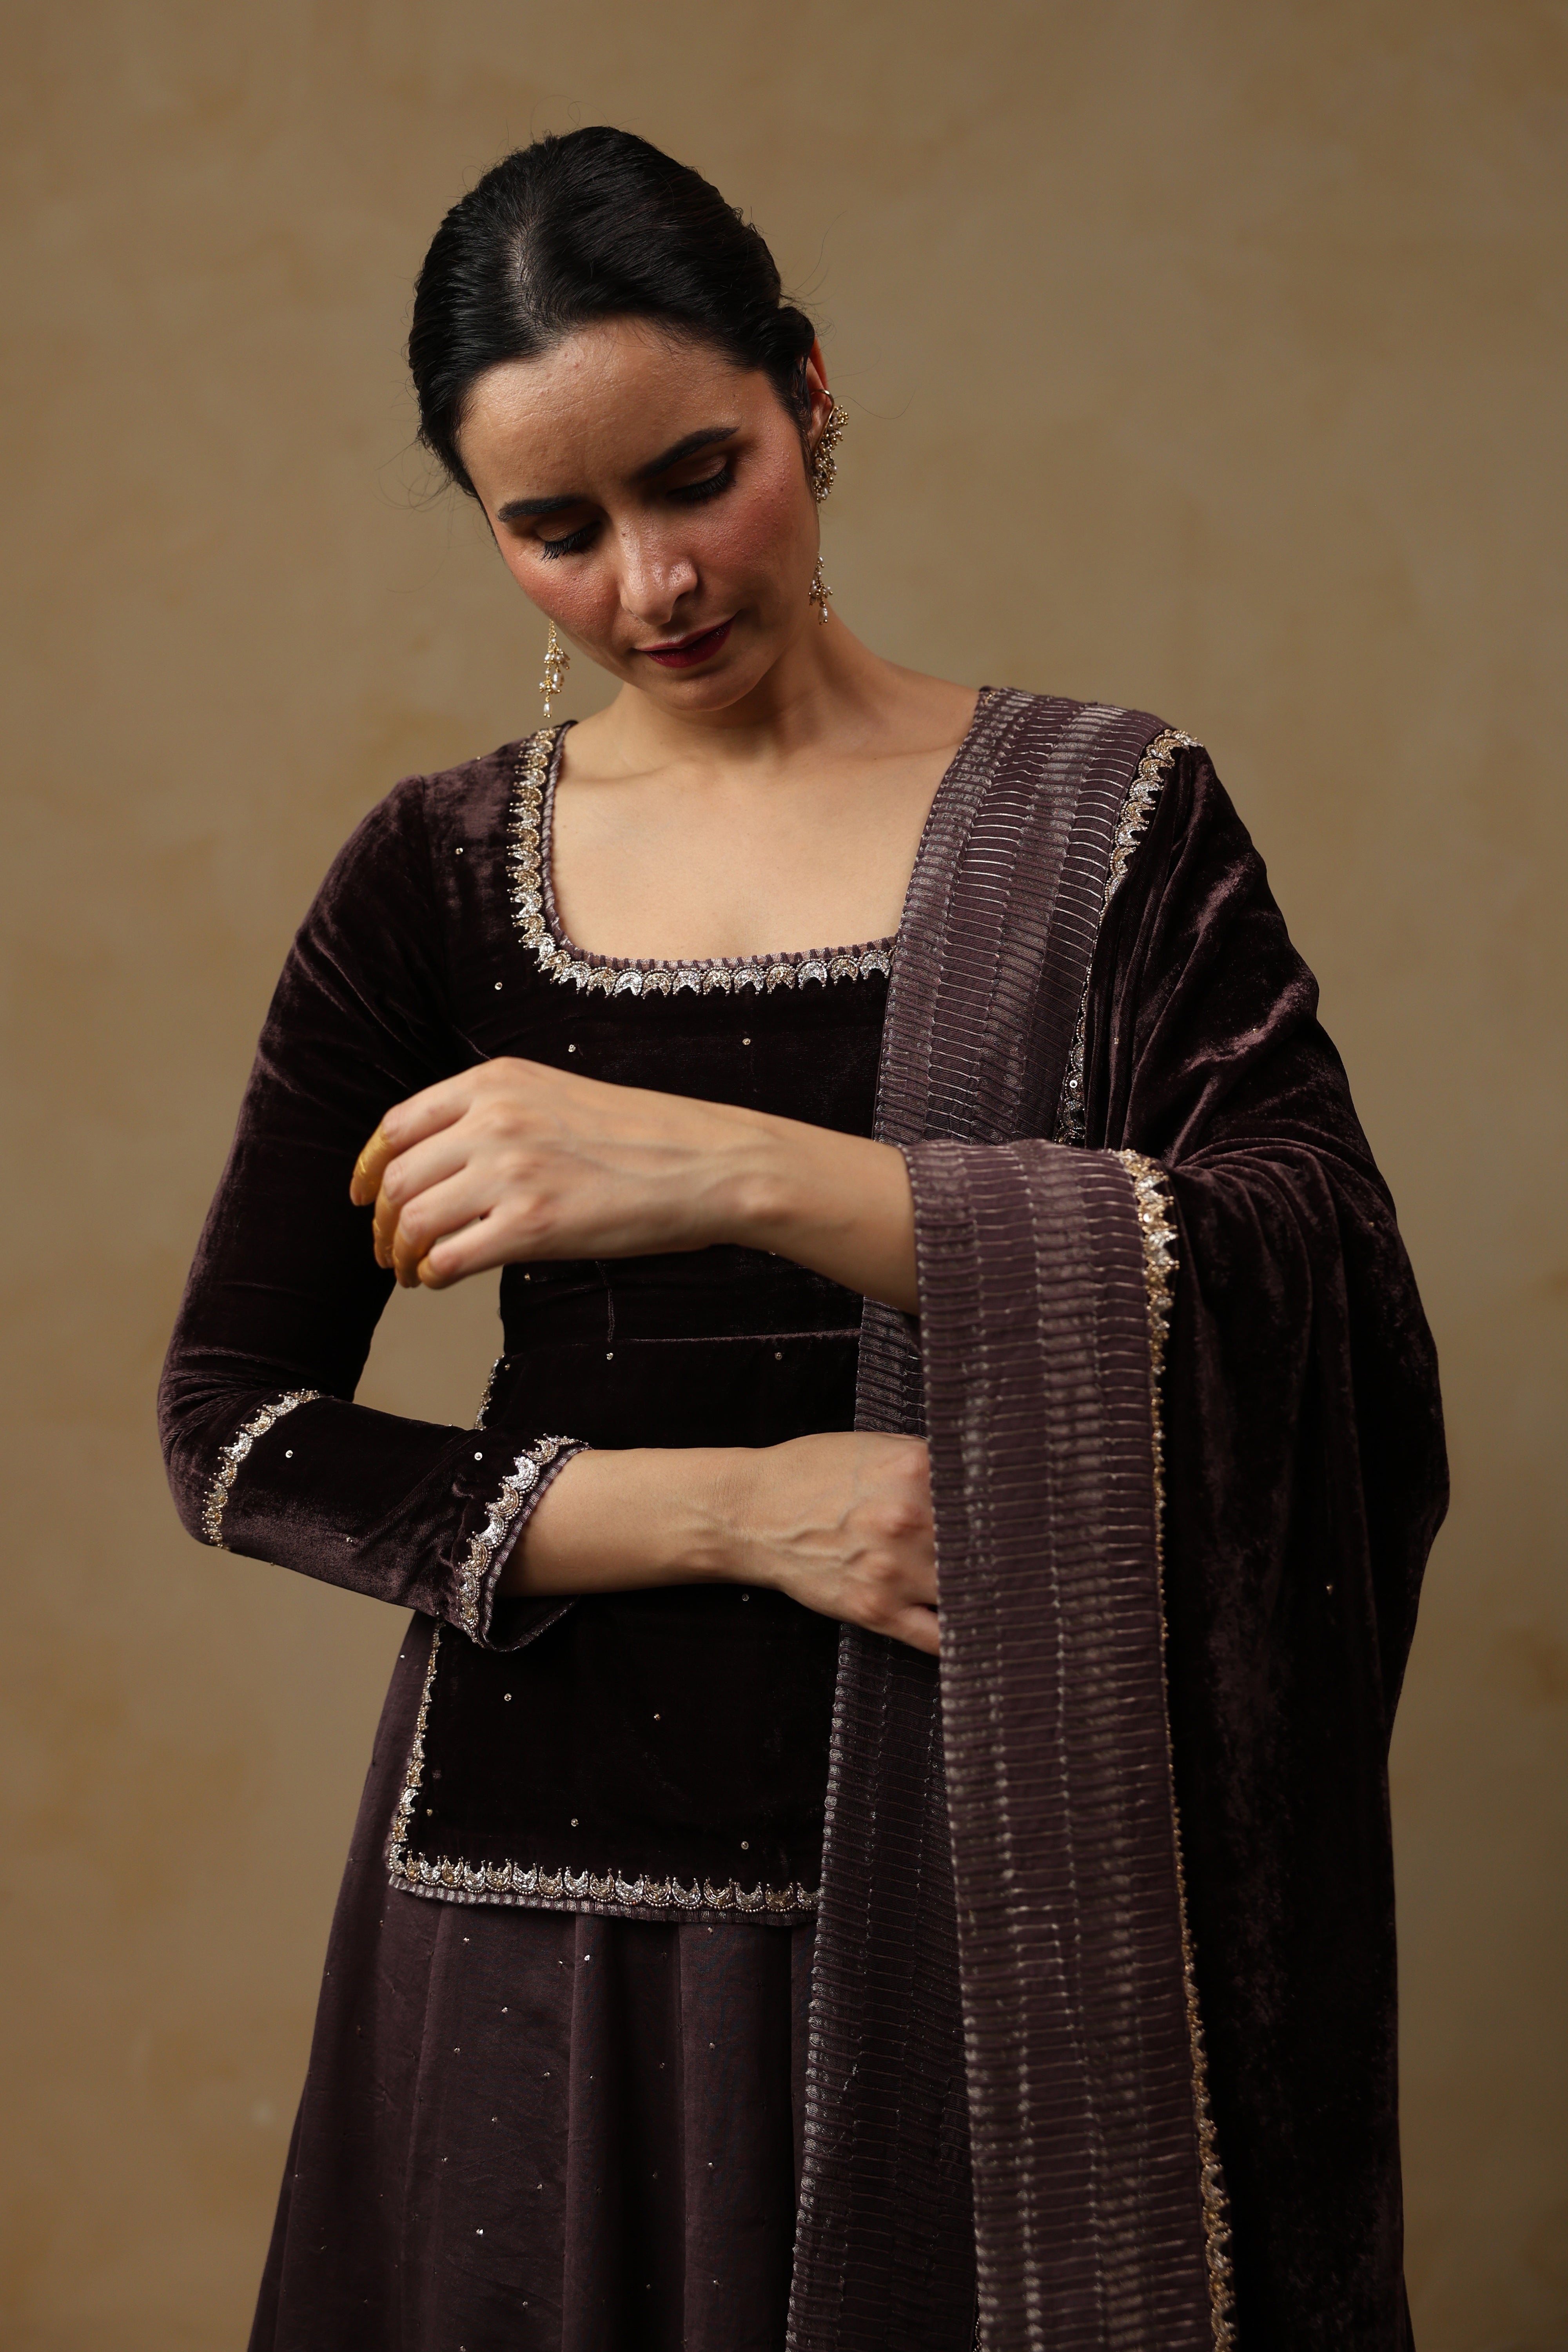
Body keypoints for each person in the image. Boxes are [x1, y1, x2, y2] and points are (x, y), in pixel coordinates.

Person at [158, 126, 1446, 2352]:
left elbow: (1311, 1272)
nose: (653, 583)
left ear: (812, 395)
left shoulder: (1103, 822)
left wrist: (735, 1172)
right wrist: (750, 1514)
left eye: (700, 477)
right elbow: (234, 1430)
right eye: (558, 530)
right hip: (545, 1921)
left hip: (999, 1890)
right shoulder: (437, 878)